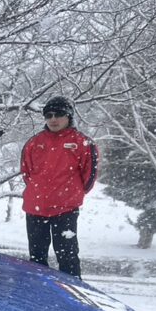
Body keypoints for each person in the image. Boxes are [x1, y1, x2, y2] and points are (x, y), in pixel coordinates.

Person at [20, 96, 98, 278]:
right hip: (35, 208)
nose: (53, 119)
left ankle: (72, 292)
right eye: (49, 115)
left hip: (65, 210)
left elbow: (89, 176)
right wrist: (39, 192)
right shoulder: (33, 142)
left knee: (68, 257)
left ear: (68, 116)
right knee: (36, 258)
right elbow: (26, 172)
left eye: (59, 114)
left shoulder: (83, 143)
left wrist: (70, 195)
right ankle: (37, 290)